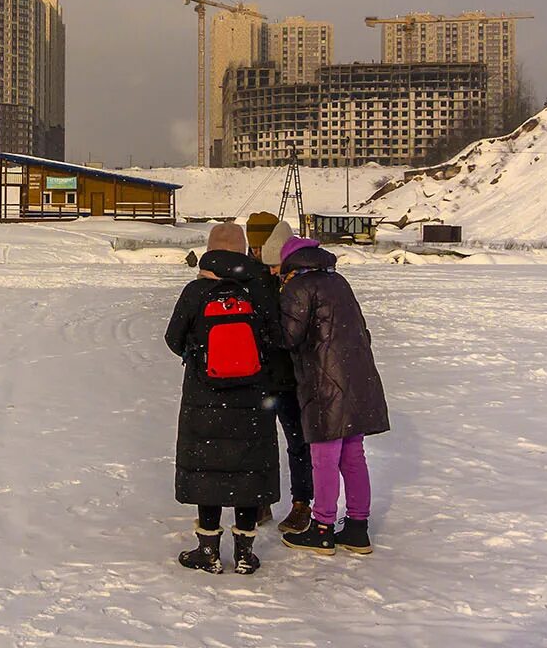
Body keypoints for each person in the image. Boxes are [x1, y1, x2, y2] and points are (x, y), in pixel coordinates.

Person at [164, 223, 281, 575]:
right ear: (244, 250)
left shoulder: (196, 291)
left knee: (208, 468)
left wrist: (199, 356)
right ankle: (245, 552)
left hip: (205, 396)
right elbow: (276, 337)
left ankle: (208, 550)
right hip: (252, 398)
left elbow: (173, 338)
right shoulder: (259, 289)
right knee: (247, 470)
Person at [276, 235, 392, 557]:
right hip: (357, 378)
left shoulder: (298, 288)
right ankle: (357, 527)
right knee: (353, 455)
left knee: (324, 456)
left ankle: (323, 527)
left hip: (324, 382)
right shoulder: (338, 281)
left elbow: (288, 337)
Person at [256, 220, 312, 534]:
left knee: (298, 443)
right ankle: (262, 500)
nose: (273, 270)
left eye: (276, 264)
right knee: (262, 441)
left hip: (292, 379)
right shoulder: (256, 280)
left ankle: (302, 502)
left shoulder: (302, 285)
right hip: (264, 376)